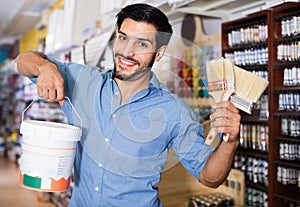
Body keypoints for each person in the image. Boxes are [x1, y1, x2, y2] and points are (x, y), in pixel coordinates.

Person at [15, 3, 241, 207]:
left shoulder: (173, 111)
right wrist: (45, 68)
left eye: (142, 43)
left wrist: (230, 141)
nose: (127, 52)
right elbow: (24, 60)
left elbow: (210, 177)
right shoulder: (81, 82)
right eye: (123, 38)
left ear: (159, 53)